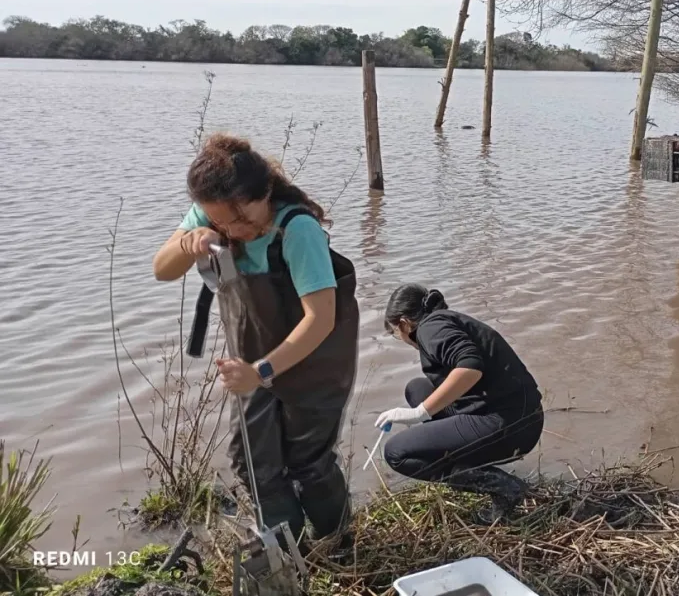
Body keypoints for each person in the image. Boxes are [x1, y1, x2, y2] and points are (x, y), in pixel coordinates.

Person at [152, 133, 359, 545]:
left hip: (314, 365)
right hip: (251, 365)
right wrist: (189, 243)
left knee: (309, 464)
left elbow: (320, 320)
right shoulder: (212, 214)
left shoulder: (297, 230)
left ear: (266, 192)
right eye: (221, 223)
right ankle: (292, 552)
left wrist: (262, 371)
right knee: (250, 462)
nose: (234, 231)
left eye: (242, 221)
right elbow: (162, 269)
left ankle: (339, 544)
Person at [378, 284, 544, 518]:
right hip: (517, 414)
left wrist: (420, 413)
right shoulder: (442, 322)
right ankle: (464, 459)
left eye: (396, 333)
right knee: (417, 388)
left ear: (404, 323)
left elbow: (470, 368)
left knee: (396, 452)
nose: (403, 339)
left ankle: (499, 486)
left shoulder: (429, 328)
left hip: (511, 424)